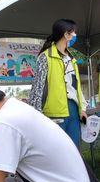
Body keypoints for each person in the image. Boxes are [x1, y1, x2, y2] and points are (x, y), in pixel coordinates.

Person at [29, 19, 87, 147]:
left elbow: (76, 86)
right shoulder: (45, 57)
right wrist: (36, 118)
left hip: (73, 111)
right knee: (57, 153)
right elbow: (37, 90)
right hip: (54, 114)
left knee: (74, 151)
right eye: (74, 33)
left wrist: (82, 108)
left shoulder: (72, 59)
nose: (75, 36)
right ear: (66, 34)